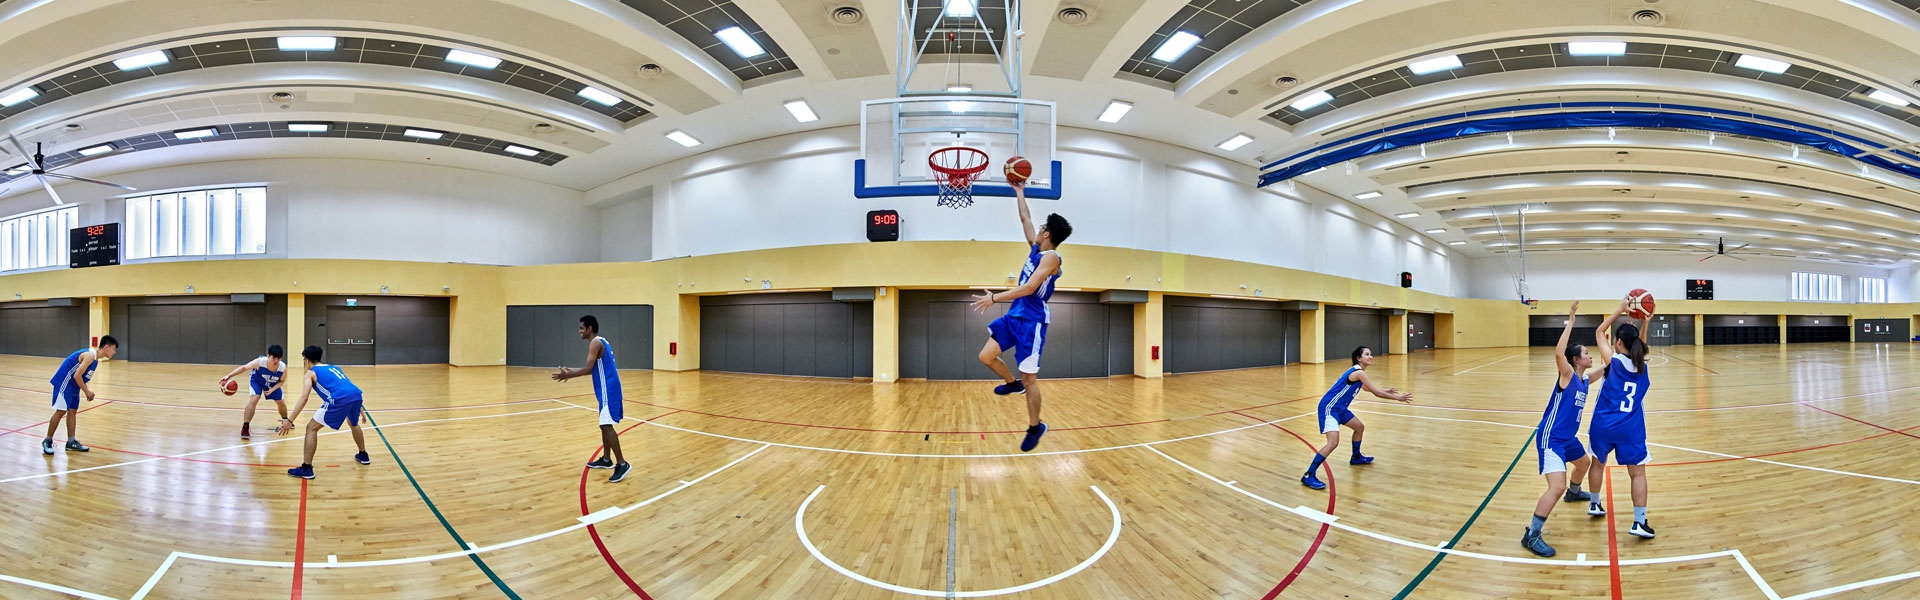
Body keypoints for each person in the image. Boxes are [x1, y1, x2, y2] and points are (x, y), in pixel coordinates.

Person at [970, 181, 1071, 452]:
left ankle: (1035, 426)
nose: (1036, 230)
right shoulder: (1036, 250)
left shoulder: (1052, 258)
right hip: (1015, 316)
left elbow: (1028, 288)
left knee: (1031, 379)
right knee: (985, 356)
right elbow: (1025, 217)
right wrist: (1019, 191)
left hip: (1032, 322)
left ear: (1047, 234)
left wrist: (994, 298)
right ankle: (1012, 384)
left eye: (1041, 229)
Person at [1522, 301, 1598, 557]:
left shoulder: (1584, 380)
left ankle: (1574, 494)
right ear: (1576, 359)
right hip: (1551, 438)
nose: (1591, 356)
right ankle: (1531, 536)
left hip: (1567, 439)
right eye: (1587, 353)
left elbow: (1608, 369)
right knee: (1555, 486)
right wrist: (1572, 321)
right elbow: (1558, 354)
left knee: (1584, 463)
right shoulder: (1566, 375)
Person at [1585, 294, 1656, 539]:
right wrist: (1645, 323)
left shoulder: (1612, 362)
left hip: (1603, 425)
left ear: (1616, 342)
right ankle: (1639, 521)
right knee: (1637, 474)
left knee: (1597, 464)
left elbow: (1598, 332)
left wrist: (1619, 310)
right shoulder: (1641, 366)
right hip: (1630, 429)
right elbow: (1641, 348)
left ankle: (1594, 503)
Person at [1301, 346, 1413, 490]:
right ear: (1359, 358)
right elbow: (1376, 393)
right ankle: (1309, 475)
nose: (1370, 356)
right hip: (1329, 408)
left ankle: (1356, 457)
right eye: (1367, 354)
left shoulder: (1358, 372)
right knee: (1333, 442)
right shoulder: (1359, 372)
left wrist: (1384, 391)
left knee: (1359, 427)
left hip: (1340, 408)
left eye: (1370, 354)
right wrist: (1398, 398)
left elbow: (1368, 389)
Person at [552, 315, 630, 483]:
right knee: (604, 425)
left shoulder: (595, 343)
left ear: (589, 328)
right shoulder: (601, 341)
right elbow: (592, 368)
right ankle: (606, 460)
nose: (579, 331)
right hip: (606, 389)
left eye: (581, 328)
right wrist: (570, 371)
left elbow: (588, 369)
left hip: (609, 390)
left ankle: (622, 464)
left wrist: (569, 375)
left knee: (607, 425)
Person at [276, 346, 371, 479]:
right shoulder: (334, 367)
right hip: (356, 395)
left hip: (339, 398)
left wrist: (289, 420)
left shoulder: (310, 373)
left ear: (307, 360)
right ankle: (363, 455)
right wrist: (358, 406)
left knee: (311, 428)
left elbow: (304, 397)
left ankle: (307, 468)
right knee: (353, 423)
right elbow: (347, 386)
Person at [42, 336, 117, 455]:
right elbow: (77, 375)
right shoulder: (90, 356)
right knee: (61, 411)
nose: (114, 352)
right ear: (106, 347)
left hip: (74, 386)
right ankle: (47, 440)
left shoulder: (96, 360)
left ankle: (71, 442)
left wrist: (84, 389)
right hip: (64, 382)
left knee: (72, 411)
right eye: (113, 349)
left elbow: (81, 377)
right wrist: (87, 391)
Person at [218, 344, 288, 439]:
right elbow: (244, 368)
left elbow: (282, 381)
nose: (276, 361)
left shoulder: (283, 368)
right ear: (268, 356)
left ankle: (286, 420)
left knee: (281, 402)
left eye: (278, 358)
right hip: (257, 380)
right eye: (273, 358)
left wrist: (272, 389)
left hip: (272, 383)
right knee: (254, 399)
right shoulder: (259, 362)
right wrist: (229, 376)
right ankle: (245, 426)